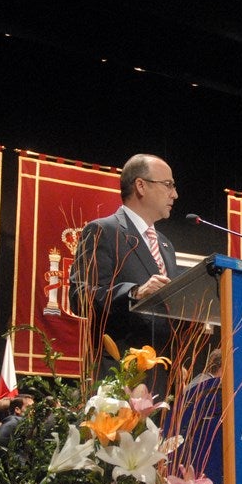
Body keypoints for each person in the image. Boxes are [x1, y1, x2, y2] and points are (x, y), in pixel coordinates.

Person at [70, 153, 181, 401]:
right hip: (119, 375)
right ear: (140, 185)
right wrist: (134, 293)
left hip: (163, 380)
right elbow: (80, 295)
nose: (174, 194)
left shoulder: (165, 246)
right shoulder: (103, 231)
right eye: (168, 185)